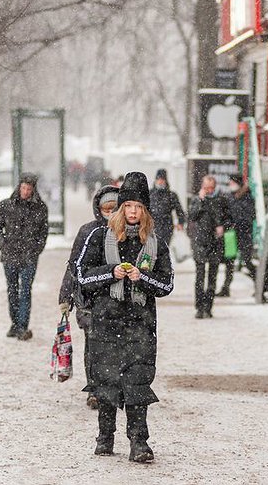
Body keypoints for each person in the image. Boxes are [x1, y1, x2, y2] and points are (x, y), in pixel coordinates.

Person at [76, 172, 174, 464]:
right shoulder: (98, 236)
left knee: (137, 384)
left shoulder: (155, 242)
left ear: (145, 211)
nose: (133, 212)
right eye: (128, 206)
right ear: (120, 208)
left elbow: (166, 284)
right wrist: (111, 273)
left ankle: (139, 442)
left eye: (138, 207)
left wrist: (141, 277)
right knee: (106, 384)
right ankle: (105, 436)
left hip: (141, 325)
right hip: (106, 322)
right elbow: (80, 274)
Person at [58, 185, 119, 410]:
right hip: (90, 300)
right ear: (99, 208)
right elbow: (74, 267)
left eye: (115, 207)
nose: (111, 212)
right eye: (107, 207)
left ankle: (113, 386)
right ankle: (94, 389)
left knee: (115, 346)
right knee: (93, 346)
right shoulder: (88, 231)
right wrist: (66, 297)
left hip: (116, 301)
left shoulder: (125, 232)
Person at [0, 172, 49, 341]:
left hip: (29, 256)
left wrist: (36, 249)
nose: (25, 192)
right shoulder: (6, 205)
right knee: (12, 290)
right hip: (10, 255)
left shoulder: (40, 208)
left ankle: (22, 326)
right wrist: (3, 245)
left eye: (28, 189)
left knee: (25, 291)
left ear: (33, 190)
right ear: (19, 187)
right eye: (23, 188)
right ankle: (15, 323)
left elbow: (43, 232)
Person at [189, 175, 229, 318]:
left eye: (211, 188)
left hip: (216, 242)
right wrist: (200, 200)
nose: (209, 190)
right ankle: (199, 307)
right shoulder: (197, 199)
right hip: (200, 241)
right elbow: (192, 216)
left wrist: (222, 227)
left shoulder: (221, 200)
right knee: (200, 276)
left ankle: (208, 307)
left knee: (212, 277)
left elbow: (229, 218)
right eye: (206, 188)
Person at [218, 175, 257, 297]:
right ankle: (225, 288)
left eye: (232, 182)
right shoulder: (229, 197)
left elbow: (249, 216)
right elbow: (225, 214)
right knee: (229, 262)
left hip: (244, 234)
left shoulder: (247, 197)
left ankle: (259, 286)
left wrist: (234, 222)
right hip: (231, 234)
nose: (230, 184)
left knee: (247, 261)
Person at [148, 169, 186, 247]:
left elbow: (179, 210)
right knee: (151, 249)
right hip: (151, 226)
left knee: (163, 249)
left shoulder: (171, 195)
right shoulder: (149, 193)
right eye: (158, 179)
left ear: (165, 180)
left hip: (166, 226)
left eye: (162, 179)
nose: (160, 181)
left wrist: (181, 222)